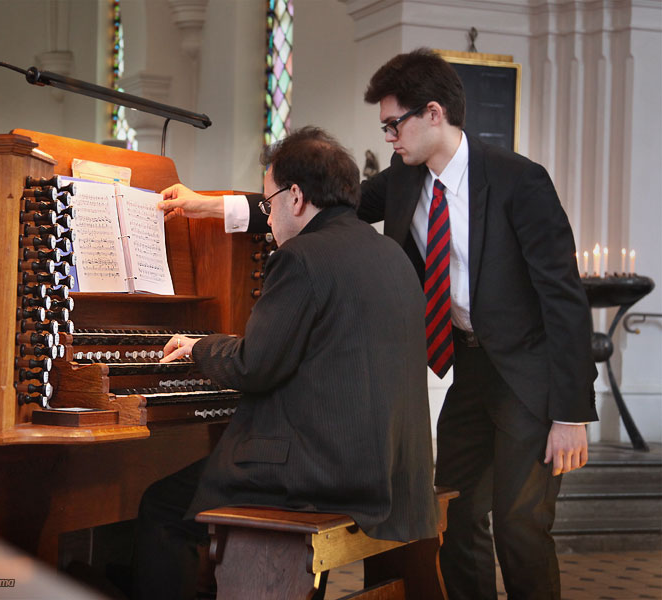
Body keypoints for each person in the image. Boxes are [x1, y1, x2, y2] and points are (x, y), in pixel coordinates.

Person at [159, 49, 598, 600]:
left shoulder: (518, 181)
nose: (389, 137)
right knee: (458, 520)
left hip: (530, 376)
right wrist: (210, 207)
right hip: (470, 366)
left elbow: (564, 298)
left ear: (433, 113)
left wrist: (571, 412)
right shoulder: (405, 178)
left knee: (520, 526)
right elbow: (315, 202)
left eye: (394, 124)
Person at [134, 127, 438, 600]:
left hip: (324, 472)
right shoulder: (389, 253)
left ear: (296, 197)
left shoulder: (302, 256)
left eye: (269, 202)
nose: (269, 217)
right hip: (392, 465)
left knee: (161, 506)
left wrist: (199, 347)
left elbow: (254, 367)